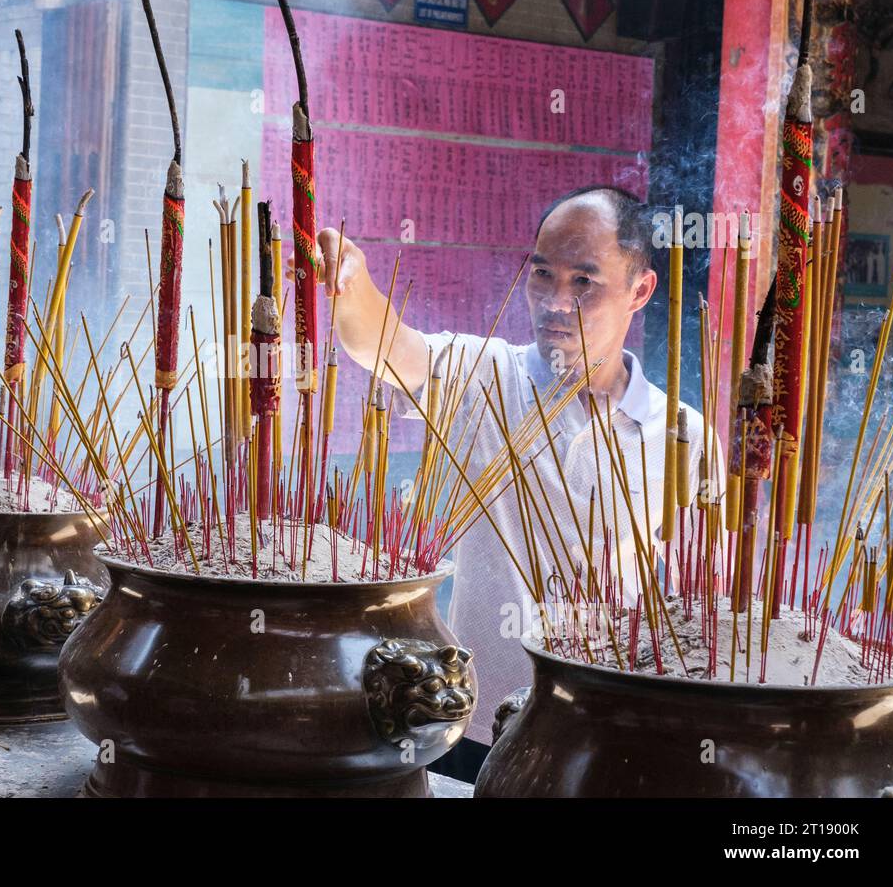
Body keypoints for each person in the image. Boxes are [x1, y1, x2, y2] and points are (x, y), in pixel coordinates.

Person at [301, 185, 715, 781]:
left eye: (583, 281)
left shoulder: (681, 436)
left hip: (605, 733)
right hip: (469, 725)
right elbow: (386, 345)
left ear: (640, 290)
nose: (554, 301)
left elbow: (702, 599)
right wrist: (353, 282)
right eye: (542, 274)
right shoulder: (486, 377)